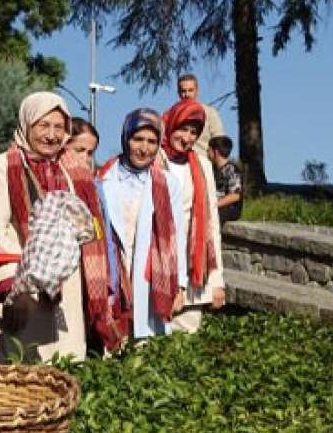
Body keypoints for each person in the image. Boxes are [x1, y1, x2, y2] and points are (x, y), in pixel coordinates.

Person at [0, 92, 113, 362]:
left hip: (65, 290)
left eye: (59, 127)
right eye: (43, 125)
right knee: (19, 373)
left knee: (66, 368)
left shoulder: (70, 170)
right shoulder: (1, 166)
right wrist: (14, 291)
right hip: (20, 289)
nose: (52, 135)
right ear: (26, 125)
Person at [97, 109, 188, 342]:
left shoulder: (168, 183)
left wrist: (180, 284)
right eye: (137, 139)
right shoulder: (100, 180)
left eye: (152, 141)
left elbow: (177, 236)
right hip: (112, 275)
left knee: (146, 352)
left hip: (150, 281)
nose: (144, 148)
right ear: (125, 139)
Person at [161, 99, 226, 333]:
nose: (187, 138)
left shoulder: (201, 165)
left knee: (184, 351)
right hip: (155, 267)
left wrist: (217, 281)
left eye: (194, 132)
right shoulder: (153, 158)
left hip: (191, 271)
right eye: (183, 129)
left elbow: (211, 224)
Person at [176, 73, 225, 155]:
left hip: (204, 163)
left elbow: (219, 140)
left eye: (190, 90)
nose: (187, 94)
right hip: (178, 164)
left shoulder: (209, 113)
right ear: (178, 93)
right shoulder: (173, 115)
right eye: (183, 91)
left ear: (197, 91)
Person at [207, 135, 243, 223]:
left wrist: (213, 205)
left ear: (215, 151)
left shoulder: (232, 169)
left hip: (228, 209)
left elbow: (235, 195)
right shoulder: (213, 169)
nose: (207, 152)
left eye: (209, 150)